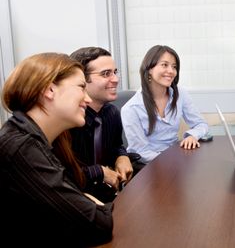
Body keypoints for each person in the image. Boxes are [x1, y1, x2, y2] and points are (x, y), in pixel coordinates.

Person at [0, 53, 113, 246]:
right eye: (81, 87)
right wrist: (93, 204)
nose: (87, 98)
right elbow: (96, 223)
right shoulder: (21, 148)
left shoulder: (43, 138)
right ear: (49, 90)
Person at [121, 45, 209, 164]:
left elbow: (201, 124)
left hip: (175, 159)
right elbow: (141, 152)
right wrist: (174, 160)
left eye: (174, 67)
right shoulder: (131, 109)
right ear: (149, 69)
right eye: (164, 65)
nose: (171, 71)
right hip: (148, 167)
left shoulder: (180, 94)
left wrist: (192, 136)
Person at [70, 47, 133, 202]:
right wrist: (99, 172)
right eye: (106, 74)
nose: (116, 79)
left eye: (115, 72)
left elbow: (116, 145)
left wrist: (122, 156)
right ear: (82, 80)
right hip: (76, 198)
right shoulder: (69, 120)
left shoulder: (111, 112)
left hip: (107, 192)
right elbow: (61, 174)